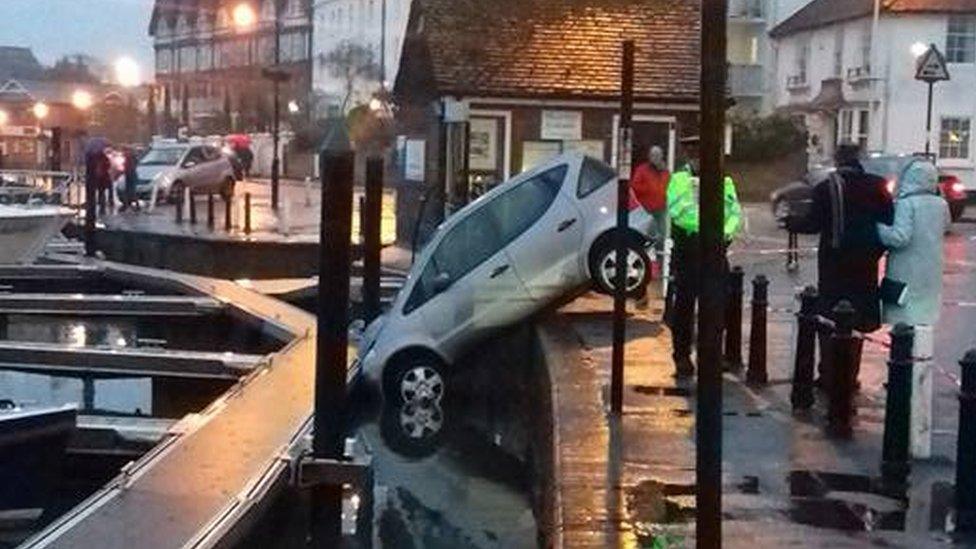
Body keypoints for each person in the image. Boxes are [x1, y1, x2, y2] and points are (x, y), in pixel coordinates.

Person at [787, 142, 893, 386]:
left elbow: (813, 223)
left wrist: (792, 223)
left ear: (837, 160)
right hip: (865, 264)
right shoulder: (877, 185)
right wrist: (875, 249)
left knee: (829, 318)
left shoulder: (827, 188)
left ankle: (828, 373)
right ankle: (851, 374)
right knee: (856, 321)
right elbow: (888, 222)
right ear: (859, 160)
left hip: (834, 264)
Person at [877, 158, 949, 458]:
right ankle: (914, 372)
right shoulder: (940, 205)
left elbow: (900, 237)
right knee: (924, 327)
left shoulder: (907, 205)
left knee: (903, 331)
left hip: (905, 273)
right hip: (930, 274)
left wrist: (876, 227)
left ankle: (901, 377)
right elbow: (943, 230)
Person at [666, 136, 742, 377]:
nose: (700, 160)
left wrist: (724, 233)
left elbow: (733, 211)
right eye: (696, 155)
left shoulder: (724, 180)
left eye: (703, 155)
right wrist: (708, 231)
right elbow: (680, 212)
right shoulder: (679, 179)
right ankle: (682, 357)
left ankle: (712, 355)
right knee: (685, 307)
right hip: (689, 251)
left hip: (715, 251)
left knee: (717, 307)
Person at [630, 145, 670, 308]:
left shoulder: (665, 171)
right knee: (647, 241)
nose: (655, 158)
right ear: (649, 156)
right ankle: (646, 271)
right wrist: (649, 188)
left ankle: (659, 270)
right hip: (646, 210)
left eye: (658, 155)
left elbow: (669, 187)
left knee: (661, 239)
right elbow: (634, 186)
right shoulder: (642, 170)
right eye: (653, 155)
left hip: (661, 210)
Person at [119, 146, 140, 212]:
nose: (123, 153)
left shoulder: (129, 158)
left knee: (130, 191)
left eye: (124, 151)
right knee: (130, 191)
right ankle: (129, 205)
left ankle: (128, 205)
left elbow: (129, 167)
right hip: (130, 175)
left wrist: (123, 171)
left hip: (130, 175)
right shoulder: (131, 158)